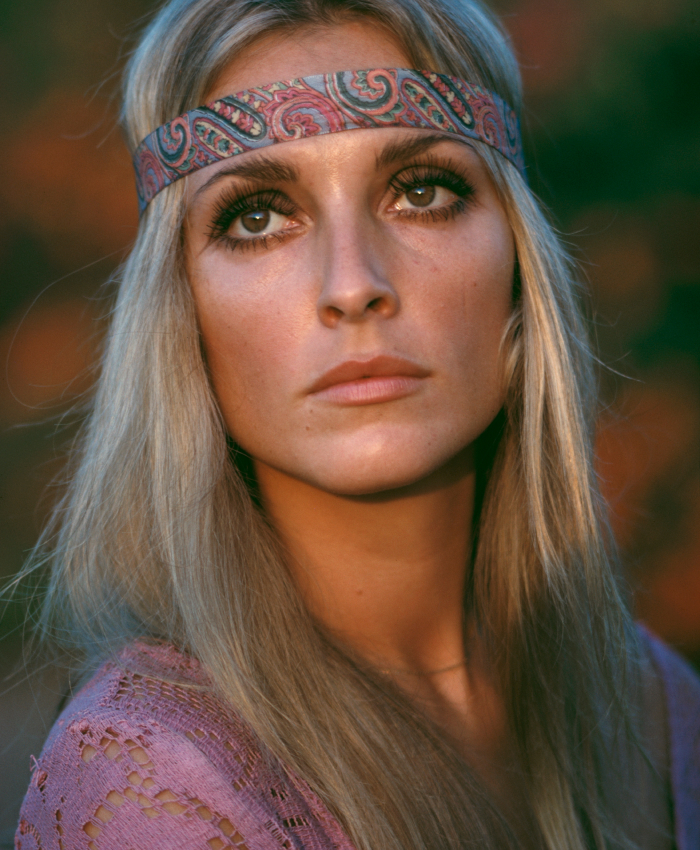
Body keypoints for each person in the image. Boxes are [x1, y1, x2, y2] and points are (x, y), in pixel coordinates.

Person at [12, 0, 700, 848]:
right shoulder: (148, 782)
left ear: (520, 268)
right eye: (257, 215)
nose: (352, 284)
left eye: (421, 191)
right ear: (180, 312)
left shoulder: (660, 712)